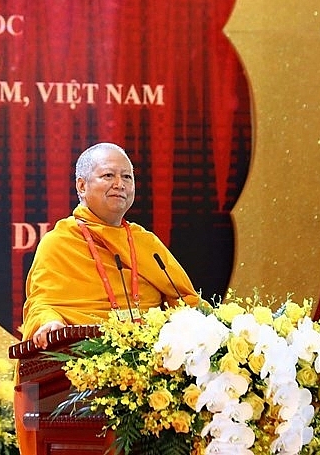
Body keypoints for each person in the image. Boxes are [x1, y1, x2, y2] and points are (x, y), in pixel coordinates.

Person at [15, 142, 199, 454]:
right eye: (109, 176)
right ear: (81, 186)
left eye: (127, 177)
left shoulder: (145, 243)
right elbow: (41, 301)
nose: (120, 185)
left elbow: (185, 301)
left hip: (155, 384)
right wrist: (51, 324)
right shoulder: (59, 242)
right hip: (81, 381)